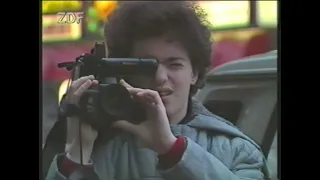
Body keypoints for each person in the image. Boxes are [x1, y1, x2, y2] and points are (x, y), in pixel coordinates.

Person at [45, 1, 268, 180]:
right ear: (127, 72)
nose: (161, 77)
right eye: (147, 65)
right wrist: (76, 152)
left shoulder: (238, 150)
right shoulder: (103, 148)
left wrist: (171, 149)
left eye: (174, 64)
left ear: (195, 74)